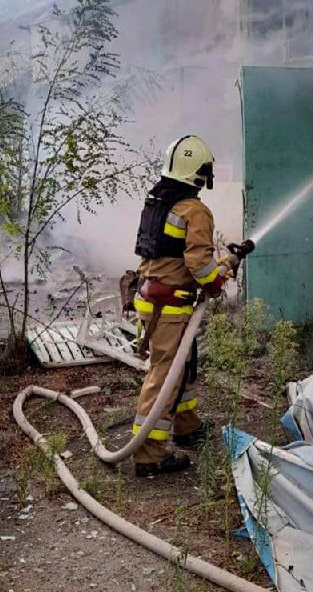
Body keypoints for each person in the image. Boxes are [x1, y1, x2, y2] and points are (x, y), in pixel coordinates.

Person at [132, 135, 226, 476]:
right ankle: (148, 454)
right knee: (165, 375)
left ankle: (187, 427)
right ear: (198, 173)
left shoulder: (158, 200)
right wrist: (218, 279)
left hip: (152, 299)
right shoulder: (194, 210)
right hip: (170, 306)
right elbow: (199, 265)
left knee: (182, 367)